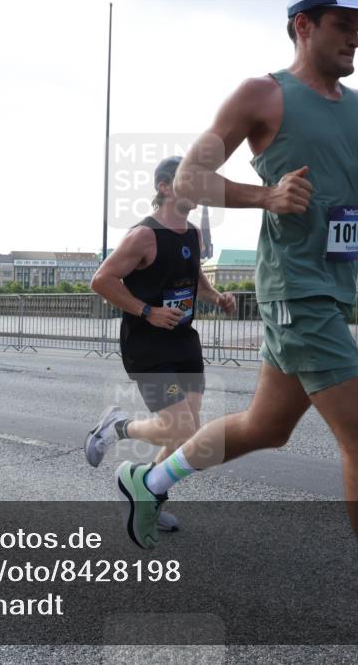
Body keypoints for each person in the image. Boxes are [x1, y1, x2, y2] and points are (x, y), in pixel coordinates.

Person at [113, 1, 358, 663]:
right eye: (344, 24)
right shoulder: (263, 94)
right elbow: (189, 177)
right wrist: (263, 195)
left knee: (266, 425)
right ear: (304, 25)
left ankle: (148, 482)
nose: (357, 36)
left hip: (331, 290)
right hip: (297, 295)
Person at [88, 156, 236, 533]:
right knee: (183, 431)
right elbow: (102, 281)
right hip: (148, 345)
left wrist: (217, 297)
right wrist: (147, 311)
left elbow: (197, 282)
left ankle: (146, 495)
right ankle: (117, 427)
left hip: (184, 342)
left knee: (187, 435)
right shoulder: (143, 236)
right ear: (164, 186)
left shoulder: (192, 234)